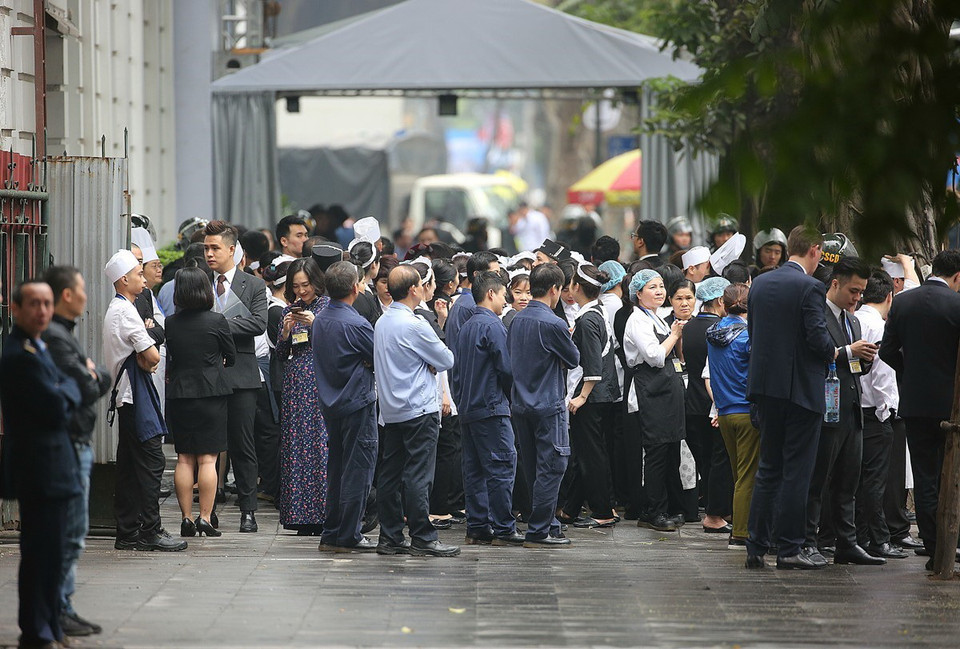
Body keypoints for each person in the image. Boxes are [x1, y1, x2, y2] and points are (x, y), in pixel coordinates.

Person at [744, 226, 836, 570]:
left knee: (768, 467)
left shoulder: (762, 283)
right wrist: (836, 353)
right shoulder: (811, 287)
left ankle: (755, 545)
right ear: (814, 250)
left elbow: (755, 333)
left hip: (765, 387)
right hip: (800, 389)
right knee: (797, 470)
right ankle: (789, 548)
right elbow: (818, 339)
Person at [0, 279, 82, 649]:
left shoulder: (38, 346)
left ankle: (48, 624)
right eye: (34, 303)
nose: (43, 311)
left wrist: (66, 390)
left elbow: (66, 390)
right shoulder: (19, 353)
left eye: (47, 303)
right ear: (16, 308)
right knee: (40, 553)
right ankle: (37, 630)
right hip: (39, 467)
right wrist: (69, 389)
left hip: (53, 464)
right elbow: (59, 401)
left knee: (52, 553)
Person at [41, 267, 111, 638]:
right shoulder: (55, 338)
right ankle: (58, 607)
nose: (86, 295)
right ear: (67, 295)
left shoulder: (63, 336)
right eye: (82, 289)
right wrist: (92, 376)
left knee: (74, 531)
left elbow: (97, 376)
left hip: (75, 444)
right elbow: (86, 385)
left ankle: (61, 605)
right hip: (66, 446)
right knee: (68, 533)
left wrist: (93, 375)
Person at [879, 249, 960, 570]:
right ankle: (953, 540)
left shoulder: (903, 302)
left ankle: (933, 545)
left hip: (914, 403)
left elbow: (887, 351)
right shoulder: (956, 304)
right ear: (957, 276)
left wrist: (910, 374)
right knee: (950, 474)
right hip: (952, 406)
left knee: (926, 476)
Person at [803, 257, 883, 567]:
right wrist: (850, 352)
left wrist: (864, 358)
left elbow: (854, 366)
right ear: (835, 283)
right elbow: (817, 354)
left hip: (852, 407)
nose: (857, 298)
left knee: (849, 481)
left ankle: (846, 542)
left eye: (861, 292)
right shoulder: (818, 314)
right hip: (825, 409)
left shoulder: (853, 321)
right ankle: (809, 540)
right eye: (853, 291)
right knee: (818, 480)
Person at [102, 250, 184, 552]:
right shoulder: (126, 312)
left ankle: (126, 532)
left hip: (127, 396)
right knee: (151, 461)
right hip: (134, 396)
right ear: (124, 280)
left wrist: (145, 352)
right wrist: (147, 356)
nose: (143, 277)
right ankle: (150, 529)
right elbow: (151, 356)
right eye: (138, 273)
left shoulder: (119, 308)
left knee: (129, 465)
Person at [373, 265, 458, 556]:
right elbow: (446, 359)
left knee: (390, 474)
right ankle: (422, 535)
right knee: (419, 474)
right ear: (413, 289)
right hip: (419, 408)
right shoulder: (415, 324)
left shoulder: (383, 321)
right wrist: (428, 362)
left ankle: (391, 535)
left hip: (392, 409)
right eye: (421, 284)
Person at [507, 264, 580, 547]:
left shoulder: (516, 320)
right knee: (553, 465)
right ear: (555, 290)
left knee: (534, 467)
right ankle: (539, 529)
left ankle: (547, 522)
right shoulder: (554, 323)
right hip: (548, 403)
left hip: (521, 404)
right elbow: (573, 358)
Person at [451, 270, 525, 546]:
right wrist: (512, 397)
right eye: (504, 294)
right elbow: (506, 369)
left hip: (470, 407)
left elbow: (456, 371)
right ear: (491, 293)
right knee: (502, 466)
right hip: (491, 408)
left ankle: (478, 525)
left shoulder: (468, 325)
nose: (506, 300)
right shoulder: (492, 325)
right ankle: (504, 527)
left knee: (475, 470)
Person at [204, 220, 268, 533]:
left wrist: (216, 326)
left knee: (243, 445)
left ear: (232, 250)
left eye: (215, 248)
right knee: (209, 446)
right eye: (206, 248)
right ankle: (208, 509)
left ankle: (248, 511)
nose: (209, 254)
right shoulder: (199, 282)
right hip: (207, 373)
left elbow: (258, 324)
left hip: (242, 375)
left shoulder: (253, 285)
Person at [164, 266, 236, 540]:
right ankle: (205, 517)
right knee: (208, 460)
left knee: (184, 458)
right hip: (212, 394)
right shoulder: (217, 321)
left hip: (181, 394)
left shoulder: (171, 323)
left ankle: (186, 518)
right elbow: (231, 356)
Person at [312, 261, 379, 552]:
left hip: (331, 403)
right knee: (357, 469)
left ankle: (333, 530)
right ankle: (349, 532)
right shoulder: (355, 323)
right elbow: (378, 357)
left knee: (337, 467)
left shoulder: (321, 319)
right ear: (356, 287)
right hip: (356, 402)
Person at [623, 269, 687, 532]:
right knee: (657, 452)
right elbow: (655, 357)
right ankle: (653, 511)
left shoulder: (657, 317)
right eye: (652, 287)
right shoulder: (637, 320)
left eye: (661, 286)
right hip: (651, 389)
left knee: (671, 449)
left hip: (668, 390)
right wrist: (674, 334)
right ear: (638, 294)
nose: (660, 291)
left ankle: (668, 506)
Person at [853, 269, 909, 560]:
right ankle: (879, 539)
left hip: (853, 409)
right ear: (890, 296)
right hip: (875, 412)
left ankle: (860, 536)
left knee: (856, 480)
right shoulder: (879, 327)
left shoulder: (852, 321)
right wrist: (888, 410)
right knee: (875, 481)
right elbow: (884, 376)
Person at [559, 263, 620, 528]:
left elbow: (593, 367)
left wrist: (582, 396)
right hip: (604, 394)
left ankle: (603, 511)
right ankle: (571, 509)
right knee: (591, 452)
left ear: (575, 288)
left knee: (591, 456)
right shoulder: (599, 311)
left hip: (592, 396)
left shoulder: (587, 319)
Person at [276, 257, 330, 535]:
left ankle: (322, 513)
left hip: (319, 380)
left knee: (320, 445)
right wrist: (286, 330)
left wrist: (316, 323)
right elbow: (280, 353)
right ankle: (299, 515)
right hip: (296, 382)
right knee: (296, 445)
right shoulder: (290, 309)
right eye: (296, 287)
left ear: (316, 282)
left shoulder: (327, 308)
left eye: (305, 285)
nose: (301, 292)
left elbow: (335, 342)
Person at [706, 283, 758, 548]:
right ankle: (741, 532)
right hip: (747, 412)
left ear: (723, 305)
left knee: (739, 474)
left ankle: (742, 525)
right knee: (748, 475)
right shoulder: (749, 336)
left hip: (725, 411)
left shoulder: (713, 332)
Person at [683, 277, 733, 534]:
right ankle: (717, 511)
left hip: (691, 401)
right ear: (720, 300)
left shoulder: (688, 326)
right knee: (719, 460)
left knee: (705, 459)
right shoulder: (721, 329)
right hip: (715, 401)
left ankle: (716, 507)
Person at [445, 251, 500, 352]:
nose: (498, 278)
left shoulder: (467, 301)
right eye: (494, 273)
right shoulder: (472, 305)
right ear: (476, 274)